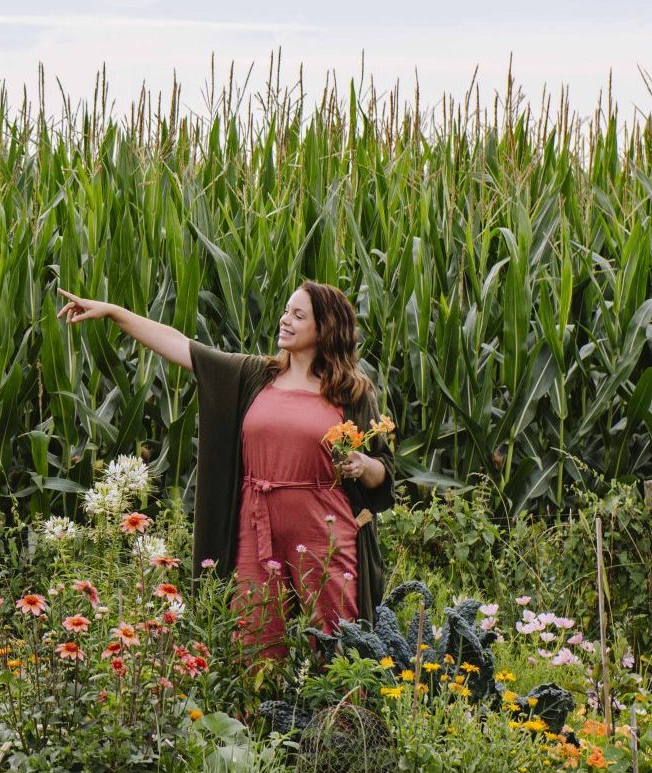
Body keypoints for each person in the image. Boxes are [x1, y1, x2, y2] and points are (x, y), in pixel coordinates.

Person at [55, 282, 396, 660]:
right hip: (257, 522)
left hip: (324, 528)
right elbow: (181, 346)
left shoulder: (351, 393)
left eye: (298, 315)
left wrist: (364, 465)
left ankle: (343, 718)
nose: (285, 320)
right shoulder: (254, 376)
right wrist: (114, 311)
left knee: (337, 637)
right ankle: (257, 717)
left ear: (326, 328)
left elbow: (383, 472)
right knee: (253, 634)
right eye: (286, 311)